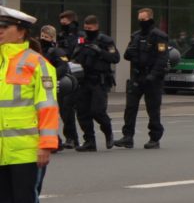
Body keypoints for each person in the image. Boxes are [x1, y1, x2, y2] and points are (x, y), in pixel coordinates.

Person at [0, 6, 58, 203]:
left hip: (27, 149)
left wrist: (45, 145)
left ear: (21, 32)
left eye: (4, 27)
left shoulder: (37, 63)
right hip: (1, 150)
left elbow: (47, 107)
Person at [114, 8, 169, 149]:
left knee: (153, 109)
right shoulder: (136, 36)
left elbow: (162, 58)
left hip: (152, 78)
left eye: (143, 20)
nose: (141, 22)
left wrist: (153, 75)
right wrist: (129, 52)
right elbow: (127, 55)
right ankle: (127, 137)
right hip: (137, 77)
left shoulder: (159, 36)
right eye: (139, 19)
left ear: (150, 19)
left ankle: (154, 138)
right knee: (130, 107)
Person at [71, 15, 119, 151]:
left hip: (100, 81)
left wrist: (99, 51)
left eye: (90, 28)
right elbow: (74, 56)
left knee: (97, 111)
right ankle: (89, 141)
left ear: (96, 27)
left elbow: (115, 58)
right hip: (84, 80)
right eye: (85, 28)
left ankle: (108, 133)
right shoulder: (82, 40)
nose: (87, 30)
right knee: (82, 112)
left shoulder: (106, 40)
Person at [38, 25, 75, 151]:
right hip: (41, 86)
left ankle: (71, 138)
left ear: (52, 38)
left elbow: (63, 67)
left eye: (46, 37)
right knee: (44, 114)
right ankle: (56, 141)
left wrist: (50, 76)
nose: (43, 39)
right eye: (42, 36)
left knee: (64, 113)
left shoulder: (57, 51)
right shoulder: (36, 51)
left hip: (54, 85)